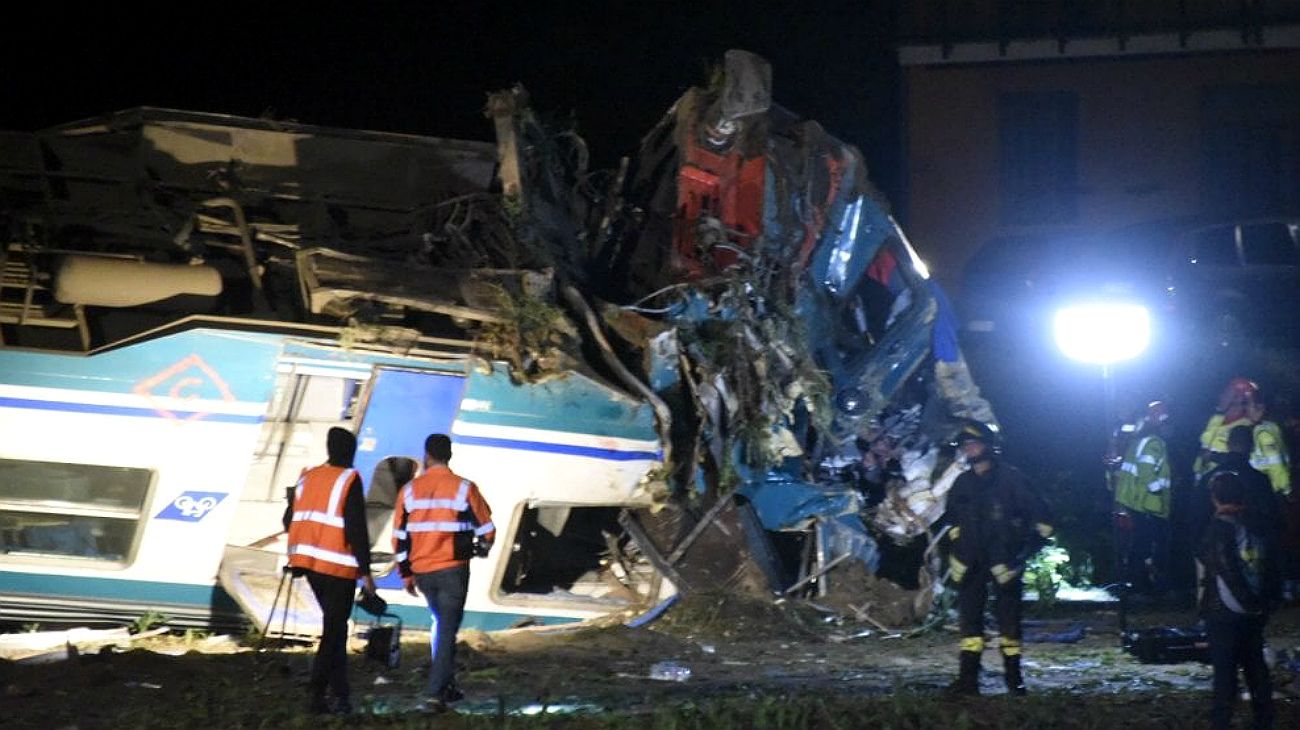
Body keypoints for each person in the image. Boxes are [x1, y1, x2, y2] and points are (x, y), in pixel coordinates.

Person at [943, 421, 1054, 696]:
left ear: (990, 447)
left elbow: (1045, 523)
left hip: (1005, 564)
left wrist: (1019, 558)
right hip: (972, 565)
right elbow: (952, 523)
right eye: (966, 446)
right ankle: (968, 681)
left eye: (975, 444)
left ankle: (1014, 681)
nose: (970, 450)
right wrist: (956, 557)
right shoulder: (962, 483)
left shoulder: (1012, 480)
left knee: (1009, 623)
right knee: (970, 625)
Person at [393, 433, 495, 711]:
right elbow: (487, 530)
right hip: (452, 569)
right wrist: (482, 547)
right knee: (447, 630)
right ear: (449, 455)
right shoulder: (464, 488)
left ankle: (447, 686)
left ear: (427, 455)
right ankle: (434, 693)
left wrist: (405, 573)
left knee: (441, 625)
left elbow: (399, 537)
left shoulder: (409, 491)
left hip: (422, 571)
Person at [283, 427, 376, 715]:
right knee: (333, 631)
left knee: (334, 630)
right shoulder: (349, 479)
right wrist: (366, 571)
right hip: (338, 566)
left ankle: (340, 693)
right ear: (351, 452)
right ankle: (318, 694)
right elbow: (356, 528)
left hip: (308, 564)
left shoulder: (307, 476)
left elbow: (289, 519)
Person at [1199, 471, 1280, 730]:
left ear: (1214, 497)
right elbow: (1271, 567)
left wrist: (1244, 601)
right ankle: (1264, 719)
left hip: (1224, 609)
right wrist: (1261, 603)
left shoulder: (1218, 527)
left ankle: (1222, 721)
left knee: (1225, 672)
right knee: (1256, 667)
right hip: (1254, 610)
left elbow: (1224, 568)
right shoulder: (1258, 524)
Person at [1113, 401, 1173, 597]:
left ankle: (1138, 583)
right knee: (1146, 544)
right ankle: (1143, 586)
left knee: (1140, 543)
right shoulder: (1154, 442)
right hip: (1146, 501)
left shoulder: (1141, 439)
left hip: (1134, 499)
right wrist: (1157, 492)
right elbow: (1147, 470)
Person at [1195, 377, 1258, 479]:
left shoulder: (1245, 427)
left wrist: (1213, 456)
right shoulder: (1215, 419)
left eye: (1229, 394)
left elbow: (1240, 458)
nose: (1222, 397)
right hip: (1203, 475)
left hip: (1225, 481)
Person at [1247, 394, 1291, 498]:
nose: (1246, 410)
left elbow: (1276, 463)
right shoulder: (1270, 426)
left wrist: (1285, 489)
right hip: (1268, 487)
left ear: (1261, 408)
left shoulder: (1263, 433)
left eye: (1249, 405)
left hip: (1272, 488)